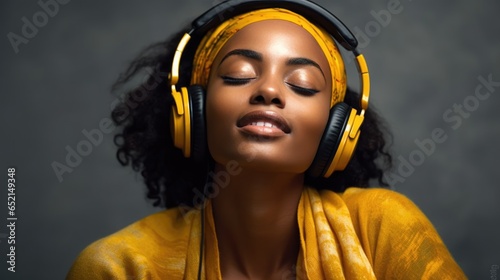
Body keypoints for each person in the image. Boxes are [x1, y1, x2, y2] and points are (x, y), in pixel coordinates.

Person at [67, 0, 466, 279]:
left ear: (339, 129)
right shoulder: (118, 267)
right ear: (192, 110)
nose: (269, 91)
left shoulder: (383, 227)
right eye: (239, 74)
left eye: (303, 84)